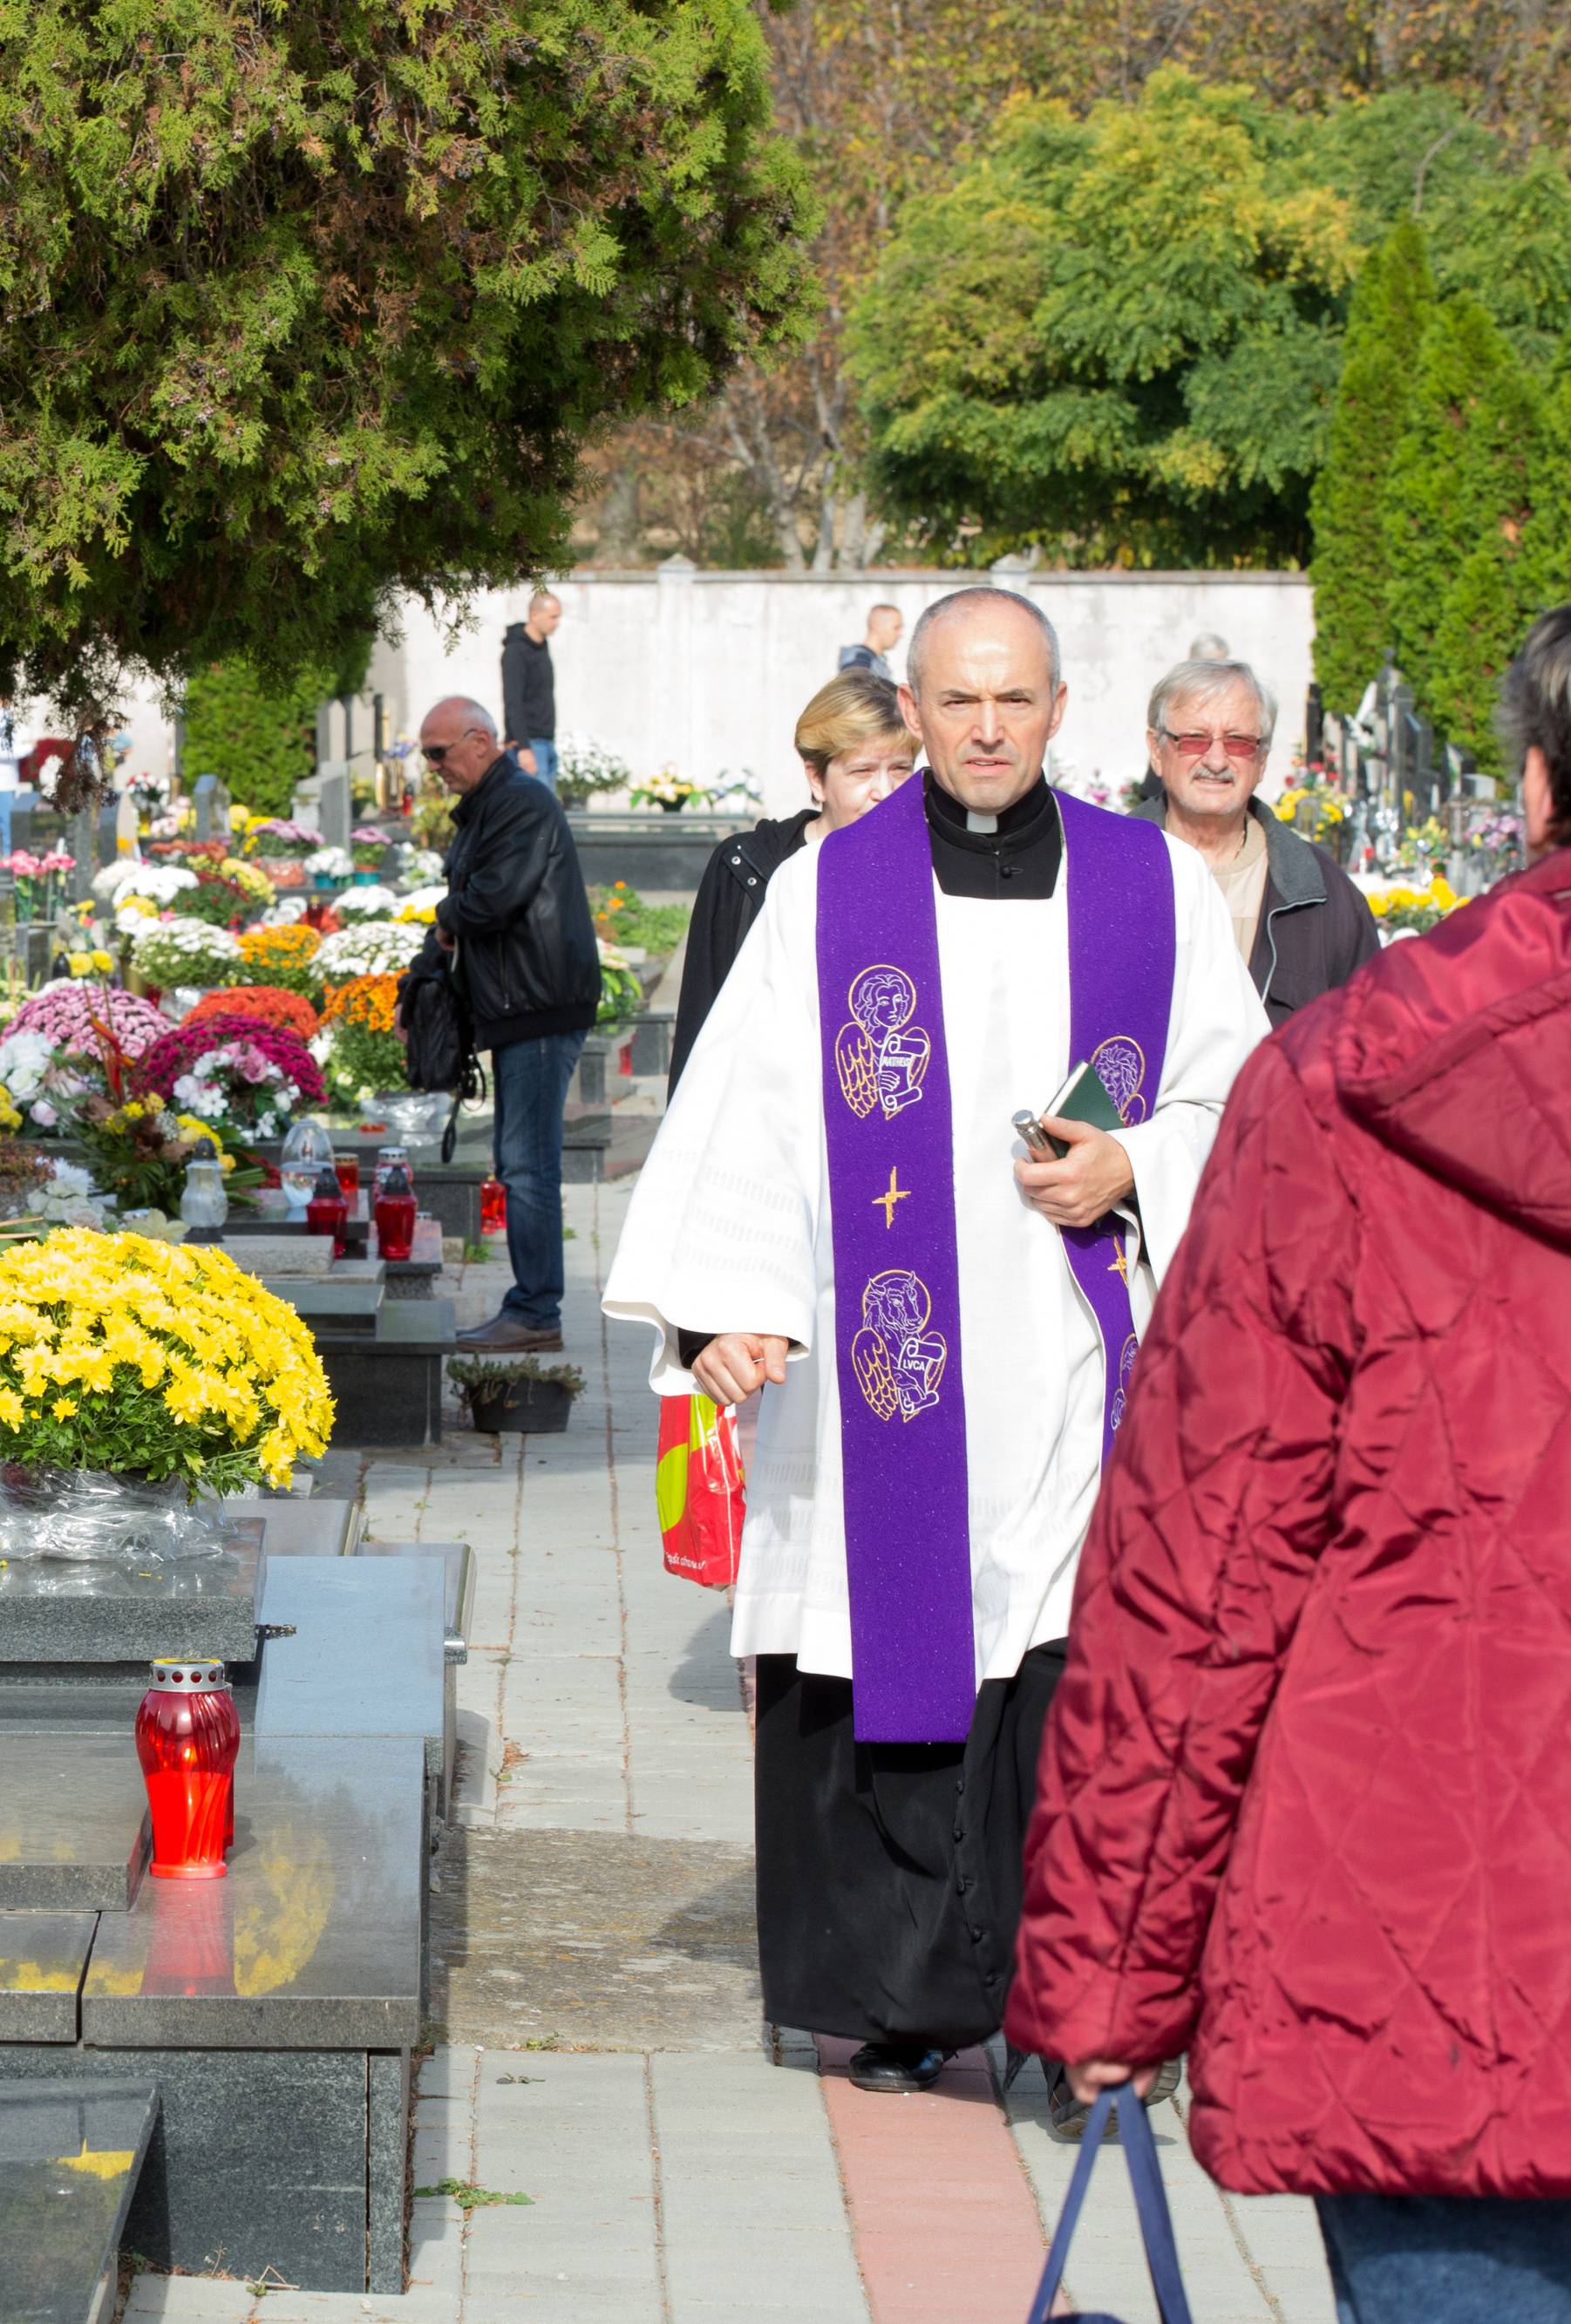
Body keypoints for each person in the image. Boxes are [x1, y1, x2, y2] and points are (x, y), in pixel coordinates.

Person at [1007, 585, 1571, 2319]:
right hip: (1446, 1951)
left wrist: (1110, 1975)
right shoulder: (1337, 1088)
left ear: (1534, 791)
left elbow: (1202, 1570)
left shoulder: (1343, 1083)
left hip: (1438, 1951)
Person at [604, 588, 1266, 2104]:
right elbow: (752, 1114)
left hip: (1080, 1354)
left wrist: (1134, 1169)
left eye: (1013, 701)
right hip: (877, 1364)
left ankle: (1078, 2000)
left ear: (1058, 710)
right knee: (890, 1672)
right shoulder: (830, 891)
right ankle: (897, 2000)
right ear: (912, 710)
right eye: (955, 702)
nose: (984, 728)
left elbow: (1247, 1099)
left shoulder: (1147, 884)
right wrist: (731, 1301)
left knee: (1070, 1678)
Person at [403, 697, 599, 1350]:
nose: (433, 766)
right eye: (427, 754)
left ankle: (536, 1312)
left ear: (480, 741)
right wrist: (424, 974)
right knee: (520, 1161)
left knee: (526, 1166)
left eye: (440, 752)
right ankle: (531, 1306)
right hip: (520, 1008)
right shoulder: (491, 804)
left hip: (538, 1008)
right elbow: (468, 908)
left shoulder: (519, 801)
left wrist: (447, 913)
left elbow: (492, 900)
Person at [668, 670, 917, 1094]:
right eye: (862, 771)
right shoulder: (746, 867)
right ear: (816, 779)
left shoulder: (925, 870)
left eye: (901, 769)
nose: (885, 791)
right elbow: (703, 1018)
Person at [1131, 656, 1377, 1024]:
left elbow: (1370, 1035)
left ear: (1262, 760)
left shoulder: (1322, 896)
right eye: (1195, 740)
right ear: (1156, 750)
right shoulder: (1099, 871)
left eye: (1239, 742)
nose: (1216, 760)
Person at [501, 589, 561, 791]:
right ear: (535, 616)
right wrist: (524, 748)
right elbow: (513, 701)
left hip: (546, 742)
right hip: (529, 745)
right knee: (537, 813)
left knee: (549, 810)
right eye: (553, 617)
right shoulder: (516, 651)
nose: (557, 622)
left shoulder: (543, 646)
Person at [837, 602, 902, 679]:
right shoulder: (859, 661)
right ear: (876, 625)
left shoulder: (875, 661)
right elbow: (856, 690)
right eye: (896, 628)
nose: (900, 634)